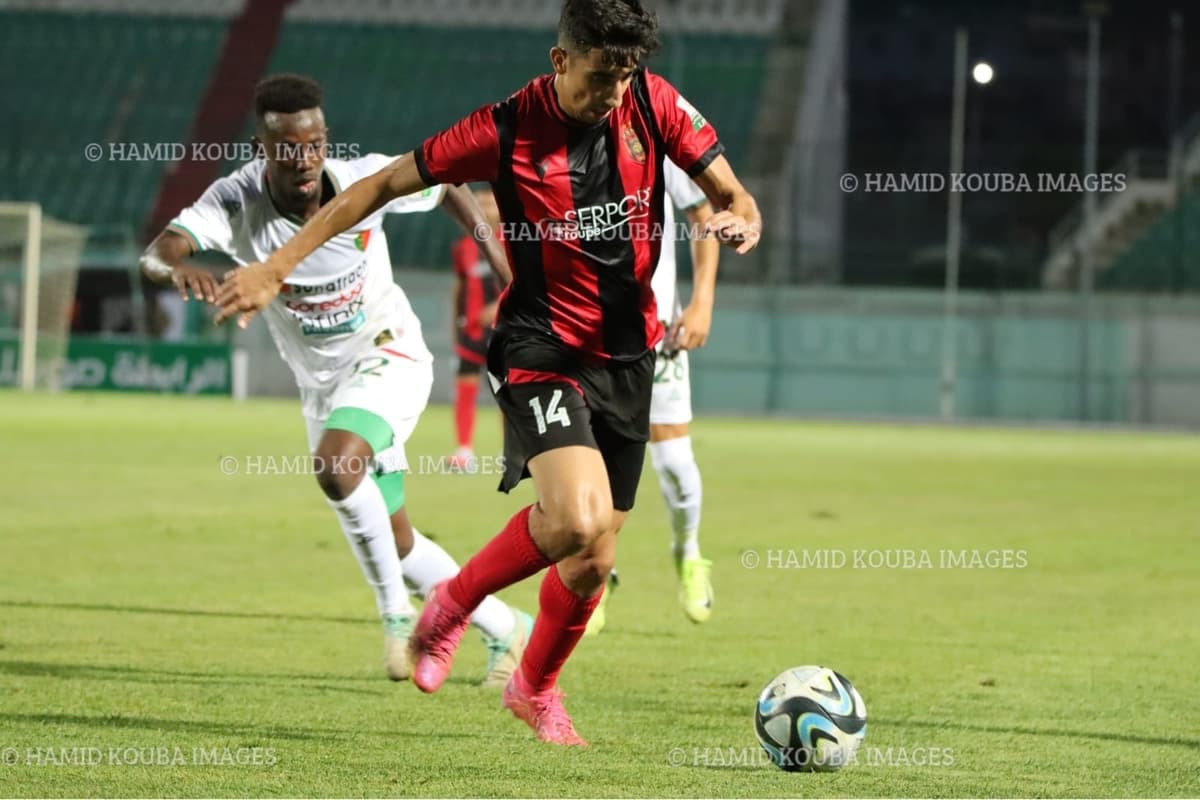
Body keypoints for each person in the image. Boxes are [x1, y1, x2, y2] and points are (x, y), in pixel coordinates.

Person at [213, 1, 761, 747]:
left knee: (594, 560)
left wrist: (741, 222)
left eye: (623, 77)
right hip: (542, 348)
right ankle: (452, 604)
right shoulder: (503, 128)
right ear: (560, 61)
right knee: (575, 519)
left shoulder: (653, 102)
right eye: (600, 77)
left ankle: (534, 689)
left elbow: (734, 197)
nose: (611, 95)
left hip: (630, 357)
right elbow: (380, 186)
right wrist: (278, 265)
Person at [141, 73, 532, 688]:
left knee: (336, 466)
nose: (305, 158)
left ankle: (395, 619)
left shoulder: (360, 182)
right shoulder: (234, 200)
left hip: (389, 353)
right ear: (261, 148)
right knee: (399, 546)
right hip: (324, 388)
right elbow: (158, 252)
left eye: (316, 142)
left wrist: (496, 256)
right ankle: (509, 627)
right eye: (289, 146)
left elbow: (450, 181)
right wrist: (178, 272)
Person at [585, 158, 718, 636]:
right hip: (582, 331)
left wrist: (701, 302)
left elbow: (703, 217)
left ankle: (688, 553)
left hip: (656, 332)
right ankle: (595, 576)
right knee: (585, 466)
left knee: (676, 464)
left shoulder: (657, 139)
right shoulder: (556, 141)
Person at [447, 188, 502, 470]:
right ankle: (464, 451)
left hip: (503, 332)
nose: (483, 208)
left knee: (508, 394)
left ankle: (511, 454)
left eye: (489, 203)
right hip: (471, 331)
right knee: (465, 389)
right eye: (478, 203)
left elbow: (524, 282)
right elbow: (460, 286)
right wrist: (454, 320)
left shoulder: (513, 241)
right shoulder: (464, 246)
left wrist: (497, 308)